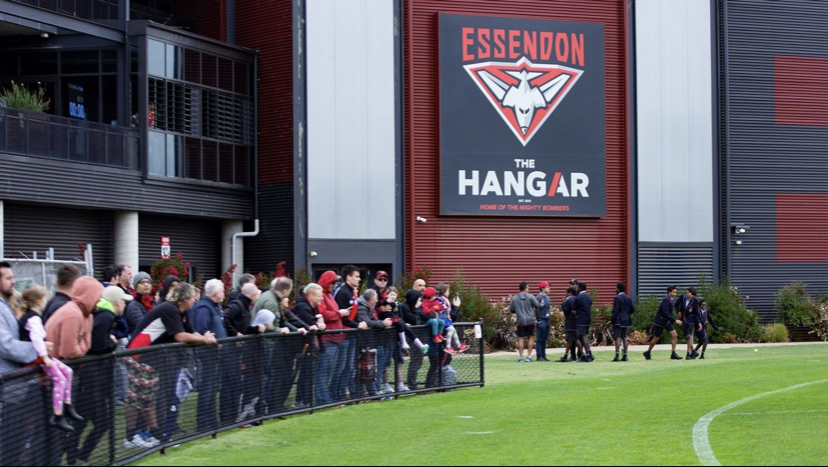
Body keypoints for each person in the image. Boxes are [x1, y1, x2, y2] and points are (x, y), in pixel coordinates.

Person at [124, 283, 216, 448]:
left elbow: (191, 332)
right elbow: (180, 336)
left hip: (151, 356)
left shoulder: (182, 312)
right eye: (192, 298)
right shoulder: (170, 309)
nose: (195, 301)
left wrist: (204, 336)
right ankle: (132, 436)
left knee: (149, 397)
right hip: (138, 354)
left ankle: (156, 435)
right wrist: (204, 339)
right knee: (138, 397)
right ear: (184, 298)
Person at [18, 285, 83, 432]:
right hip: (37, 357)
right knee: (59, 379)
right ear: (39, 301)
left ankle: (67, 404)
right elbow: (36, 338)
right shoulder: (33, 318)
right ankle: (57, 414)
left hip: (41, 355)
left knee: (68, 371)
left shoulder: (34, 317)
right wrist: (44, 356)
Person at [190, 279, 229, 430]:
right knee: (207, 388)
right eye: (222, 291)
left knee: (212, 388)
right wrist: (210, 338)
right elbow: (202, 329)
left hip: (215, 354)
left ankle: (211, 421)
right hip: (207, 354)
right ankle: (203, 422)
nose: (224, 294)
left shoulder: (214, 307)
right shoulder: (204, 308)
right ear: (217, 293)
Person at [643, 286, 684, 361]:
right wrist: (675, 320)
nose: (675, 294)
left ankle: (673, 353)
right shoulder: (666, 300)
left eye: (676, 292)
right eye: (674, 292)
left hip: (667, 321)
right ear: (669, 292)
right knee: (656, 338)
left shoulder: (671, 300)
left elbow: (670, 312)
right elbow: (665, 313)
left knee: (675, 335)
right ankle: (648, 352)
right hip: (660, 321)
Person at [509, 282, 540, 363]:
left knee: (521, 338)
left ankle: (521, 357)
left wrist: (517, 310)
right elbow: (537, 305)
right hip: (530, 320)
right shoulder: (530, 296)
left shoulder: (515, 298)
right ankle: (529, 356)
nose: (529, 289)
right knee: (531, 337)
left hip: (521, 320)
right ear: (525, 288)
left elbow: (511, 309)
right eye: (528, 287)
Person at [556, 287, 583, 362]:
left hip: (570, 321)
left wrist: (563, 303)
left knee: (575, 339)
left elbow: (566, 310)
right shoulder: (576, 299)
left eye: (566, 292)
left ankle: (583, 354)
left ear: (570, 292)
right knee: (570, 339)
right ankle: (566, 355)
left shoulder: (568, 300)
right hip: (575, 321)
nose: (566, 294)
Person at [611, 283, 635, 362]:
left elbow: (615, 311)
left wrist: (612, 320)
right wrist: (627, 314)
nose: (615, 290)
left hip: (618, 320)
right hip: (626, 320)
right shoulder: (628, 298)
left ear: (618, 289)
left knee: (617, 337)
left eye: (616, 288)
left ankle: (617, 355)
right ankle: (625, 355)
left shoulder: (617, 298)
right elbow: (632, 309)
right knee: (624, 337)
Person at [677, 287, 699, 360]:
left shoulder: (695, 300)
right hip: (683, 319)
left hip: (691, 320)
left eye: (693, 295)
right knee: (686, 336)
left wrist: (698, 322)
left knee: (689, 336)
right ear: (688, 292)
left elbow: (696, 312)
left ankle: (688, 354)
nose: (692, 296)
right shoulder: (682, 297)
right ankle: (693, 351)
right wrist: (678, 311)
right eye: (691, 294)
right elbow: (676, 304)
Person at [574, 282, 594, 362]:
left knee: (581, 336)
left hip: (580, 319)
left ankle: (587, 355)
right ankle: (588, 353)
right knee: (584, 336)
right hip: (587, 318)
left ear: (579, 288)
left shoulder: (578, 297)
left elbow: (574, 308)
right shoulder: (589, 297)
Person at [535, 282, 552, 362]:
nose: (549, 288)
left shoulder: (547, 298)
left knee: (544, 338)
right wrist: (539, 320)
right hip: (542, 319)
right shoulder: (538, 297)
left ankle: (543, 355)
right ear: (542, 288)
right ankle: (539, 356)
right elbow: (537, 309)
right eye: (547, 287)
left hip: (547, 319)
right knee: (540, 338)